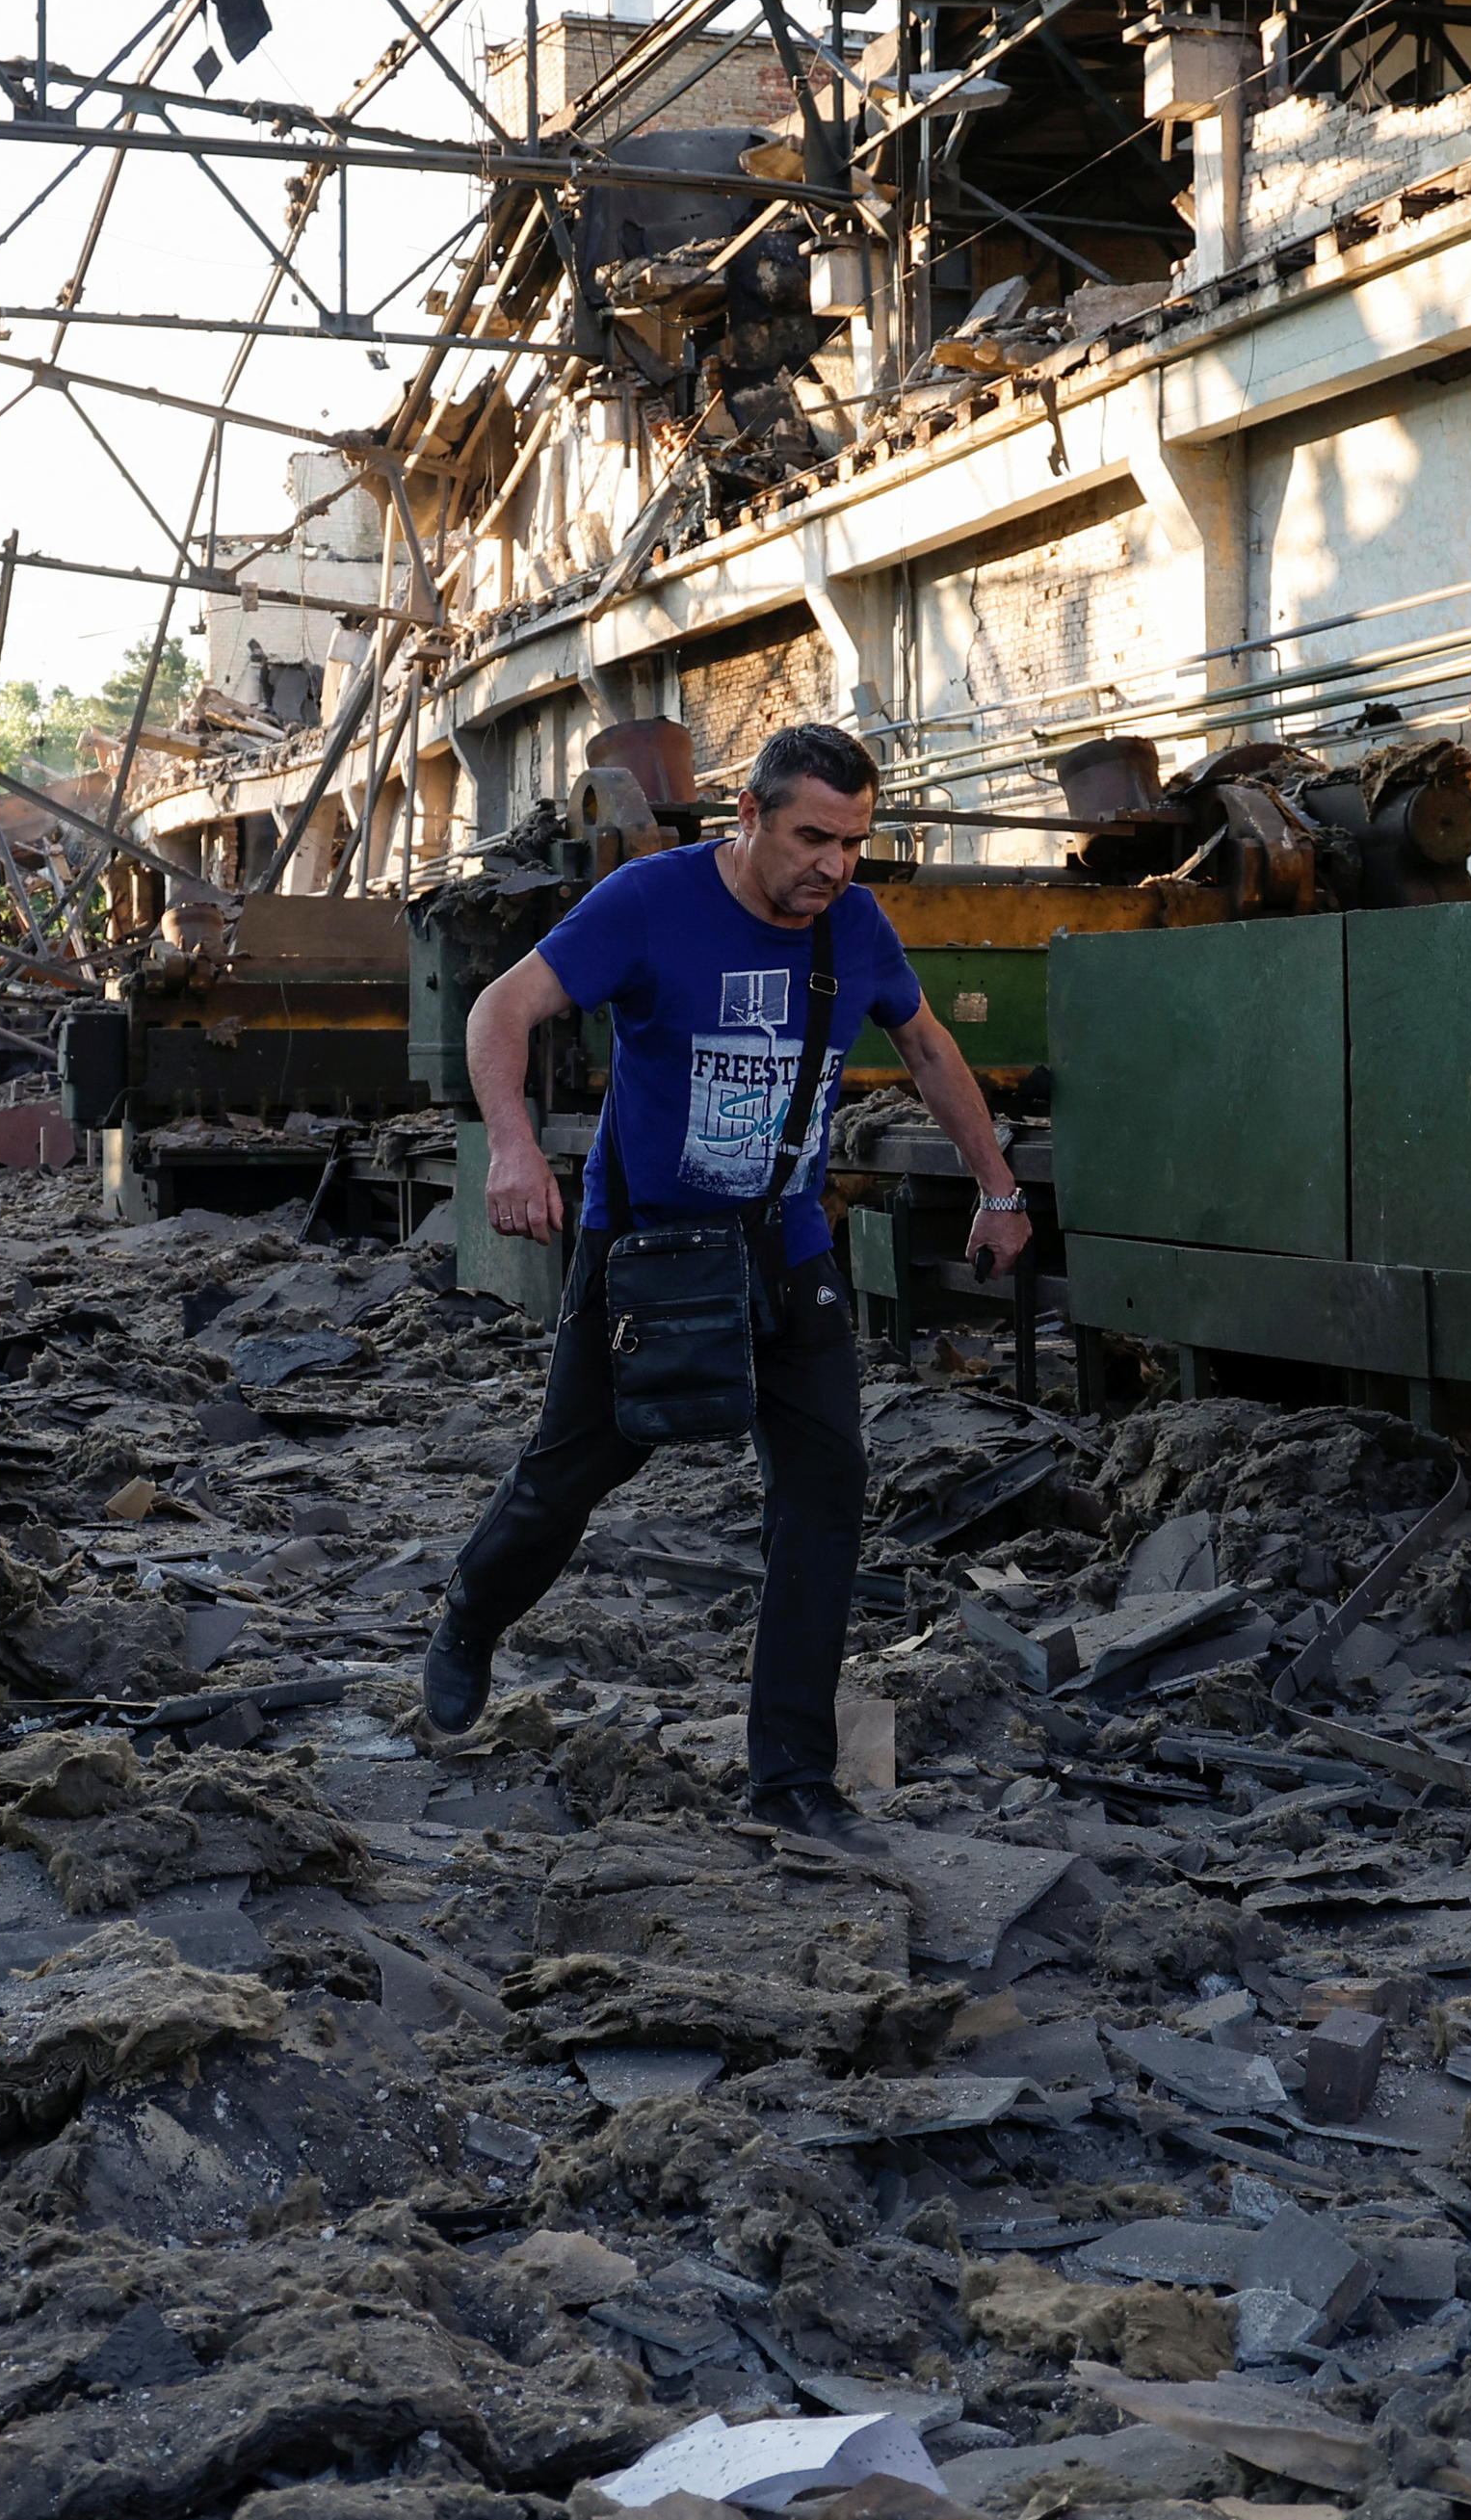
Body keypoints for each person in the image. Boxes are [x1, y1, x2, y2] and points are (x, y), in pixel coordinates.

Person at [422, 721, 1037, 1844]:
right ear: (748, 815)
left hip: (784, 1247)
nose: (834, 865)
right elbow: (496, 1010)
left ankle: (791, 1779)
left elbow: (926, 1047)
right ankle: (470, 1615)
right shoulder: (646, 903)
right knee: (571, 1475)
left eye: (852, 842)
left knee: (823, 1493)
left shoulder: (854, 924)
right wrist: (511, 1146)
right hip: (646, 1250)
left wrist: (996, 1186)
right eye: (811, 838)